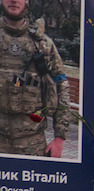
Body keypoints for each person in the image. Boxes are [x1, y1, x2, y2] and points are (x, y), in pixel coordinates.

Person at [0, 0, 70, 157]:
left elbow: (62, 87)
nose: (13, 0)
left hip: (32, 146)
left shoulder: (44, 45)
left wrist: (59, 138)